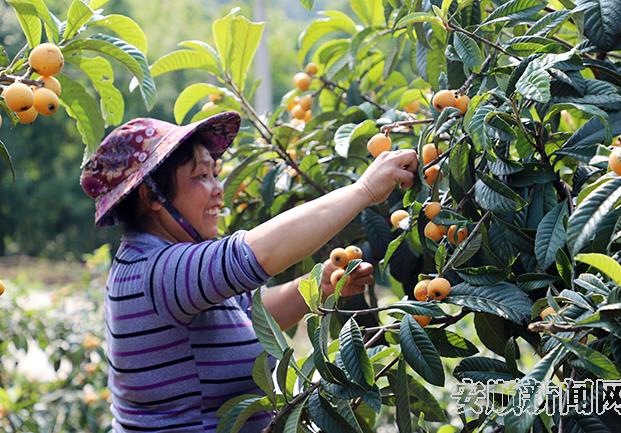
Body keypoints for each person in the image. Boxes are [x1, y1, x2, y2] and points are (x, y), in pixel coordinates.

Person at [80, 111, 418, 433]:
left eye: (215, 173)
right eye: (200, 176)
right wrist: (364, 191)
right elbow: (259, 253)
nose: (217, 187)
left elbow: (245, 315)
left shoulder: (161, 262)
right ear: (151, 196)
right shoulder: (155, 273)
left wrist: (319, 286)